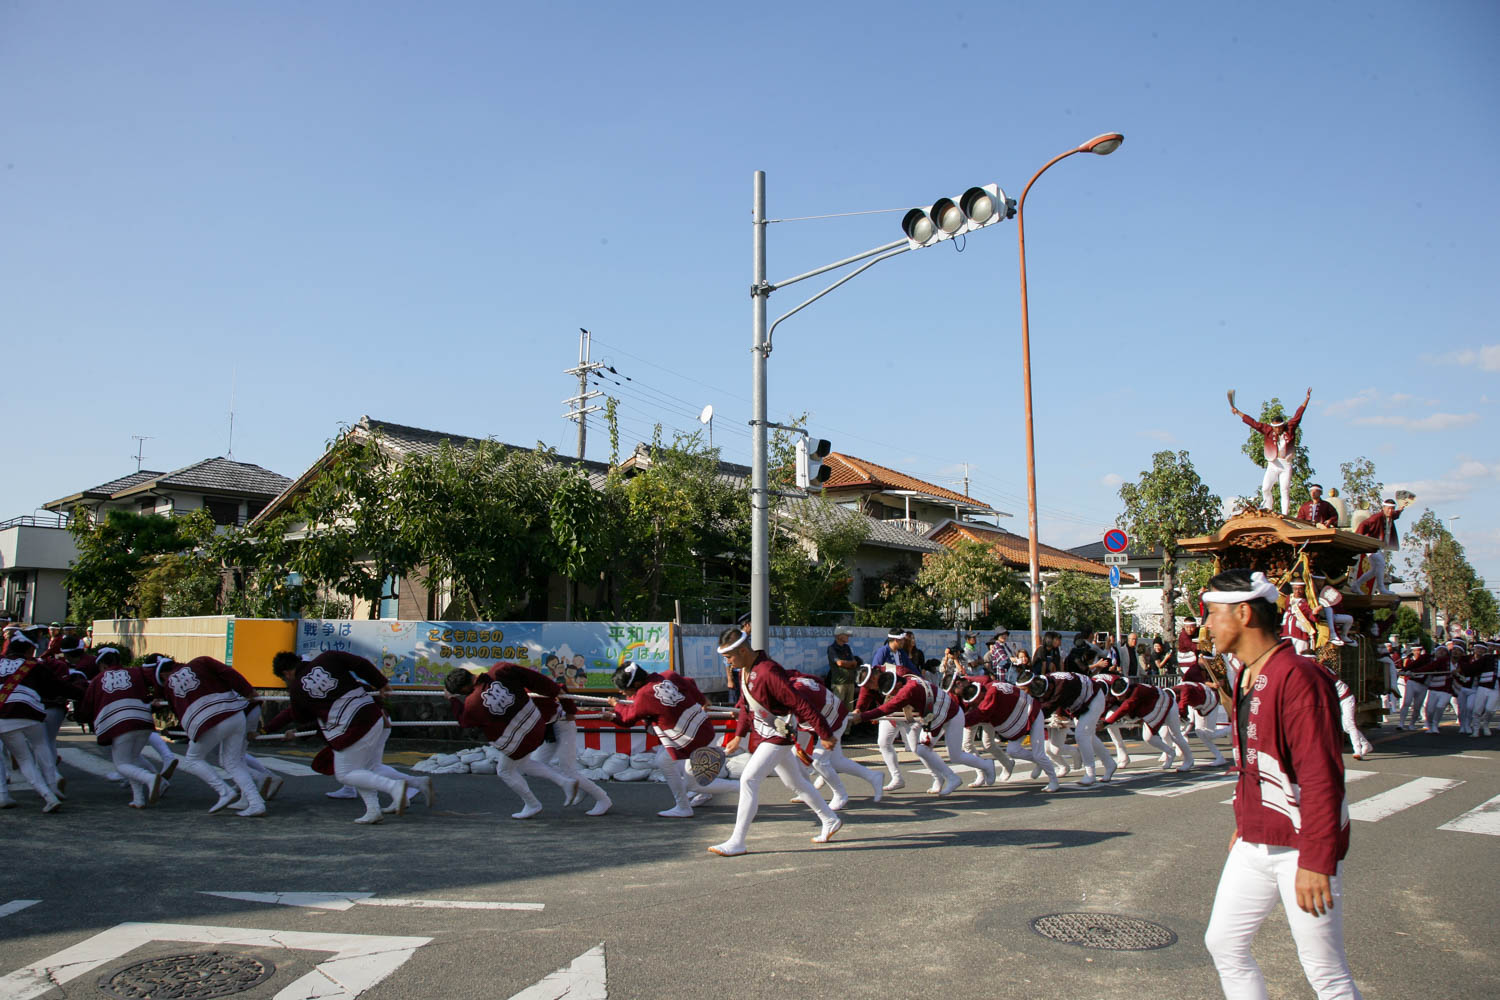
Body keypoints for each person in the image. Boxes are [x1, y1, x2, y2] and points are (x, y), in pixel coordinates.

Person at [1200, 569, 1361, 1000]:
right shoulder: (1245, 673)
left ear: (1244, 613)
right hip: (1255, 840)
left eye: (1213, 614)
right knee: (1224, 943)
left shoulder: (1299, 676)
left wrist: (1317, 860)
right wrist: (1245, 821)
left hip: (1299, 846)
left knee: (1325, 972)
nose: (1207, 626)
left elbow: (1322, 776)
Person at [711, 627, 842, 856]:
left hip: (778, 734)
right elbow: (746, 706)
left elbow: (799, 703)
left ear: (743, 651)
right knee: (796, 783)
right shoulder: (744, 670)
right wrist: (739, 735)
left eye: (729, 657)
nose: (728, 662)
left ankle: (737, 841)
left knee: (749, 779)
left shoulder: (768, 671)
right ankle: (830, 819)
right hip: (765, 734)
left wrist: (825, 733)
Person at [443, 662, 575, 821]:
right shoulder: (501, 670)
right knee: (524, 764)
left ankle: (533, 804)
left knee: (504, 771)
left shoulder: (472, 703)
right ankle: (565, 782)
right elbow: (537, 680)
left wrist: (453, 700)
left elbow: (465, 721)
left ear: (464, 689)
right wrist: (564, 700)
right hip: (537, 726)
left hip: (518, 742)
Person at [609, 661, 738, 818]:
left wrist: (616, 707)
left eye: (624, 689)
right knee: (665, 760)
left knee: (692, 782)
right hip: (702, 728)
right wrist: (702, 700)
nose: (622, 692)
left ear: (636, 683)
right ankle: (696, 798)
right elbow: (689, 683)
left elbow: (627, 719)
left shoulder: (644, 696)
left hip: (689, 740)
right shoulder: (668, 675)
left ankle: (740, 787)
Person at [147, 654, 267, 818]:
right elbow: (228, 672)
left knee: (193, 759)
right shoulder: (201, 661)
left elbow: (180, 713)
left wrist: (175, 730)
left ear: (163, 675)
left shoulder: (169, 684)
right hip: (235, 713)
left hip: (207, 722)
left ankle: (225, 792)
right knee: (233, 762)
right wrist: (248, 690)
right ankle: (255, 802)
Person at [853, 660, 996, 794]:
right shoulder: (908, 680)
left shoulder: (907, 691)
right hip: (935, 716)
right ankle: (946, 777)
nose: (892, 695)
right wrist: (861, 710)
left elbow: (888, 707)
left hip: (950, 716)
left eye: (892, 692)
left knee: (954, 755)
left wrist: (863, 717)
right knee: (921, 749)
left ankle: (983, 766)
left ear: (897, 685)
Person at [0, 633, 76, 812]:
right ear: (28, 650)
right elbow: (58, 686)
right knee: (42, 746)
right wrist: (84, 694)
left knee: (24, 759)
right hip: (32, 711)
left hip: (5, 714)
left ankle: (8, 794)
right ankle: (52, 786)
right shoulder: (33, 665)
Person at [78, 654, 166, 808]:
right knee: (131, 760)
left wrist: (80, 717)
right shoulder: (136, 672)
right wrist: (157, 696)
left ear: (103, 666)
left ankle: (150, 778)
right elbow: (157, 678)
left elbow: (86, 707)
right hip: (143, 720)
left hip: (119, 724)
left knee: (122, 765)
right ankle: (138, 799)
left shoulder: (98, 679)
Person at [787, 669, 882, 809]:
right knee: (803, 756)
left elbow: (811, 714)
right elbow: (817, 680)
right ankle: (807, 790)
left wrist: (825, 735)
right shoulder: (789, 677)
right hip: (816, 718)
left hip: (832, 719)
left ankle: (840, 794)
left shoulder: (792, 689)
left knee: (819, 761)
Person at [1228, 386, 1311, 516]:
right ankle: (1268, 509)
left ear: (1282, 425)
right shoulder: (1268, 430)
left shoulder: (1290, 429)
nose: (1277, 430)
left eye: (1279, 427)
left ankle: (1284, 513)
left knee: (1284, 490)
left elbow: (1298, 415)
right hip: (1273, 463)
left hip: (1285, 464)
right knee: (1266, 488)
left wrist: (1306, 400)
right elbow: (1253, 423)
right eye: (1275, 427)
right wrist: (1238, 412)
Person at [1027, 669, 1117, 786]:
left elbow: (1046, 709)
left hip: (1093, 698)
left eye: (1045, 695)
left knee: (1081, 736)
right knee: (1089, 736)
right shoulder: (1046, 681)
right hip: (1080, 702)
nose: (1044, 698)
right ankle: (1109, 764)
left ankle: (1090, 774)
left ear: (1050, 688)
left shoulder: (1061, 687)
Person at [1353, 499, 1404, 595]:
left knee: (1374, 570)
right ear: (1383, 508)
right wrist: (1358, 538)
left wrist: (1401, 509)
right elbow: (1364, 524)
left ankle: (1356, 585)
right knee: (1381, 563)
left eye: (1392, 509)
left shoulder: (1390, 517)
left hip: (1379, 547)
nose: (1390, 511)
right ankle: (1381, 588)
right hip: (1371, 545)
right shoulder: (1377, 517)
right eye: (1388, 508)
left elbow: (1395, 515)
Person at [826, 627, 859, 709]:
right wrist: (849, 664)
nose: (848, 636)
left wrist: (846, 663)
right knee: (838, 709)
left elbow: (855, 663)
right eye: (846, 635)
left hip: (850, 683)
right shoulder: (832, 648)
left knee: (850, 710)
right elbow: (839, 663)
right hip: (839, 684)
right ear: (839, 636)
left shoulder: (847, 647)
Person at [1281, 581, 1318, 655]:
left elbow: (1312, 617)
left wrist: (1315, 613)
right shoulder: (1288, 599)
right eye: (1295, 589)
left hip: (1300, 635)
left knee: (1300, 657)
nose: (1297, 591)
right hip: (1286, 635)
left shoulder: (1307, 602)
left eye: (1300, 589)